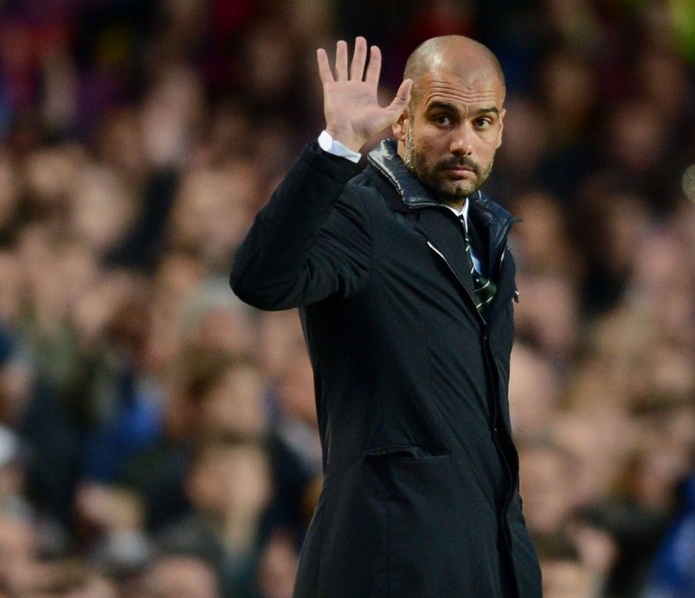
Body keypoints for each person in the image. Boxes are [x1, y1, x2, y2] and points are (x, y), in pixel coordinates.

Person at [230, 34, 541, 597]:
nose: (462, 142)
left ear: (502, 128)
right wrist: (336, 148)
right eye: (442, 118)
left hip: (481, 560)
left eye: (482, 122)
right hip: (387, 564)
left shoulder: (490, 238)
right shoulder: (362, 212)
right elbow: (260, 278)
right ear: (401, 120)